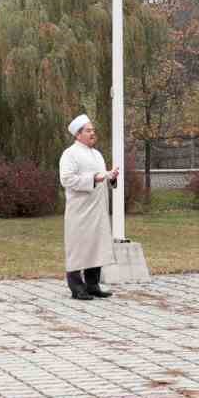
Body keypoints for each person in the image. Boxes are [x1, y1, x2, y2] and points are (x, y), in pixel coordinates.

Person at [58, 114, 118, 301]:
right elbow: (66, 179)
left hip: (98, 209)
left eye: (93, 130)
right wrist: (93, 179)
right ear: (78, 134)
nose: (93, 133)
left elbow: (103, 178)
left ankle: (93, 285)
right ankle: (77, 287)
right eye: (88, 130)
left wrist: (111, 177)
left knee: (96, 246)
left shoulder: (97, 154)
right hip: (80, 210)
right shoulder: (70, 154)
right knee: (78, 246)